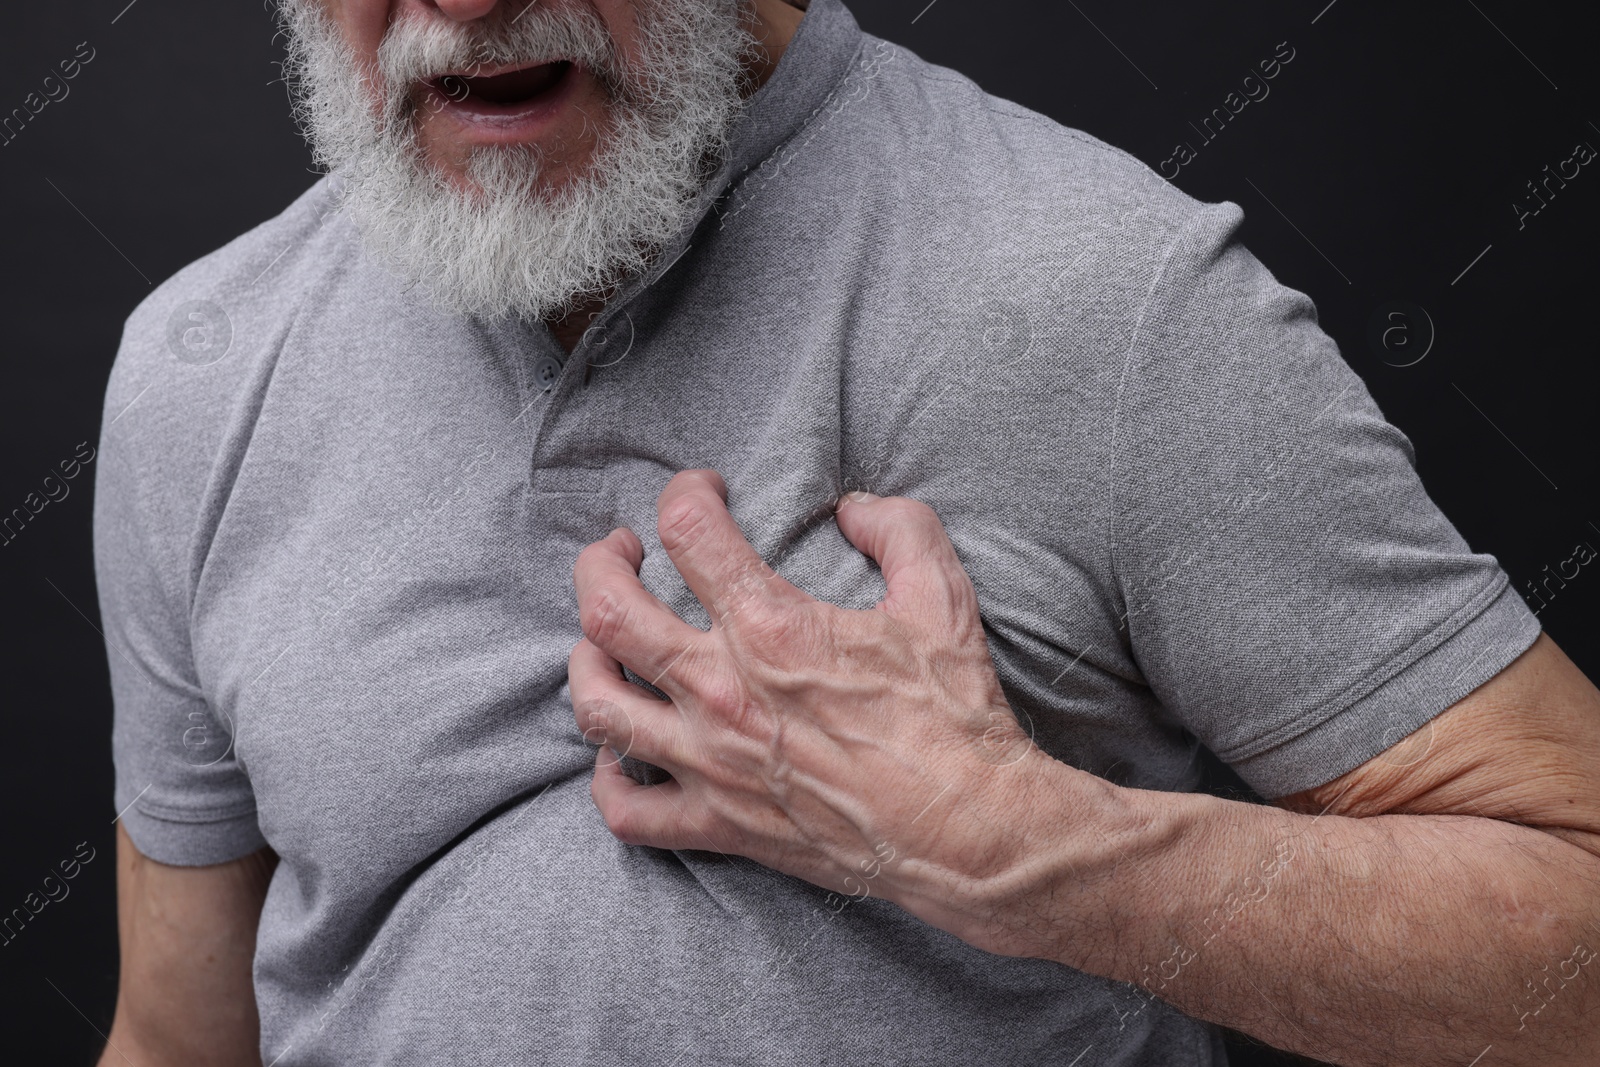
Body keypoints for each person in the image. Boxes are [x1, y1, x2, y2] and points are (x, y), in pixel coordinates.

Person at [93, 0, 1600, 1064]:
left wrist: (1030, 852)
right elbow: (177, 1040)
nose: (469, 1)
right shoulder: (198, 375)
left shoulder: (1102, 293)